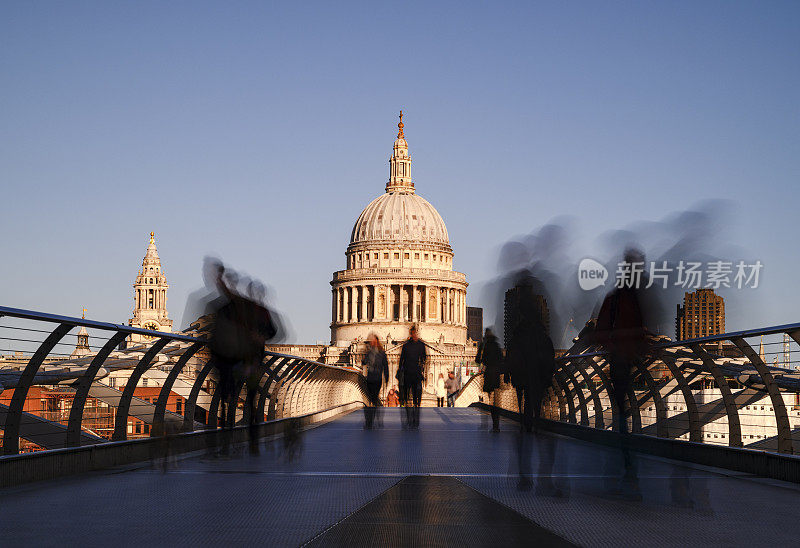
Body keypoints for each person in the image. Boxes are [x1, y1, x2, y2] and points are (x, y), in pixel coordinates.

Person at [505, 281, 555, 433]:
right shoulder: (542, 334)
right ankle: (537, 421)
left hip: (524, 372)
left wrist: (509, 372)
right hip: (538, 371)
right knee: (537, 398)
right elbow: (549, 352)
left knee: (526, 398)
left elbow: (511, 354)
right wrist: (549, 371)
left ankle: (527, 423)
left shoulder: (518, 335)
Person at [398, 325, 426, 428]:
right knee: (410, 395)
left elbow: (424, 359)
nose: (415, 335)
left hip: (413, 374)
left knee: (414, 395)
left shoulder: (414, 346)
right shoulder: (408, 346)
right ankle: (412, 415)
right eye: (414, 333)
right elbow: (402, 360)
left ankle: (413, 414)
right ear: (411, 334)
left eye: (416, 333)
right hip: (410, 374)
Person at [476, 328, 503, 430]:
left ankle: (486, 423)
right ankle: (496, 424)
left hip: (488, 374)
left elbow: (477, 360)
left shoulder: (484, 345)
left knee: (487, 399)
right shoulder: (496, 345)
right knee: (496, 400)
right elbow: (501, 359)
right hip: (496, 375)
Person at [362, 333, 389, 428]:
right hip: (370, 378)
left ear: (376, 341)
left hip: (377, 379)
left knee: (373, 398)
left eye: (373, 341)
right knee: (371, 399)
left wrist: (387, 377)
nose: (372, 342)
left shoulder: (381, 353)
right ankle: (371, 420)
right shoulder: (369, 352)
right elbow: (364, 362)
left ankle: (371, 420)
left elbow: (385, 366)